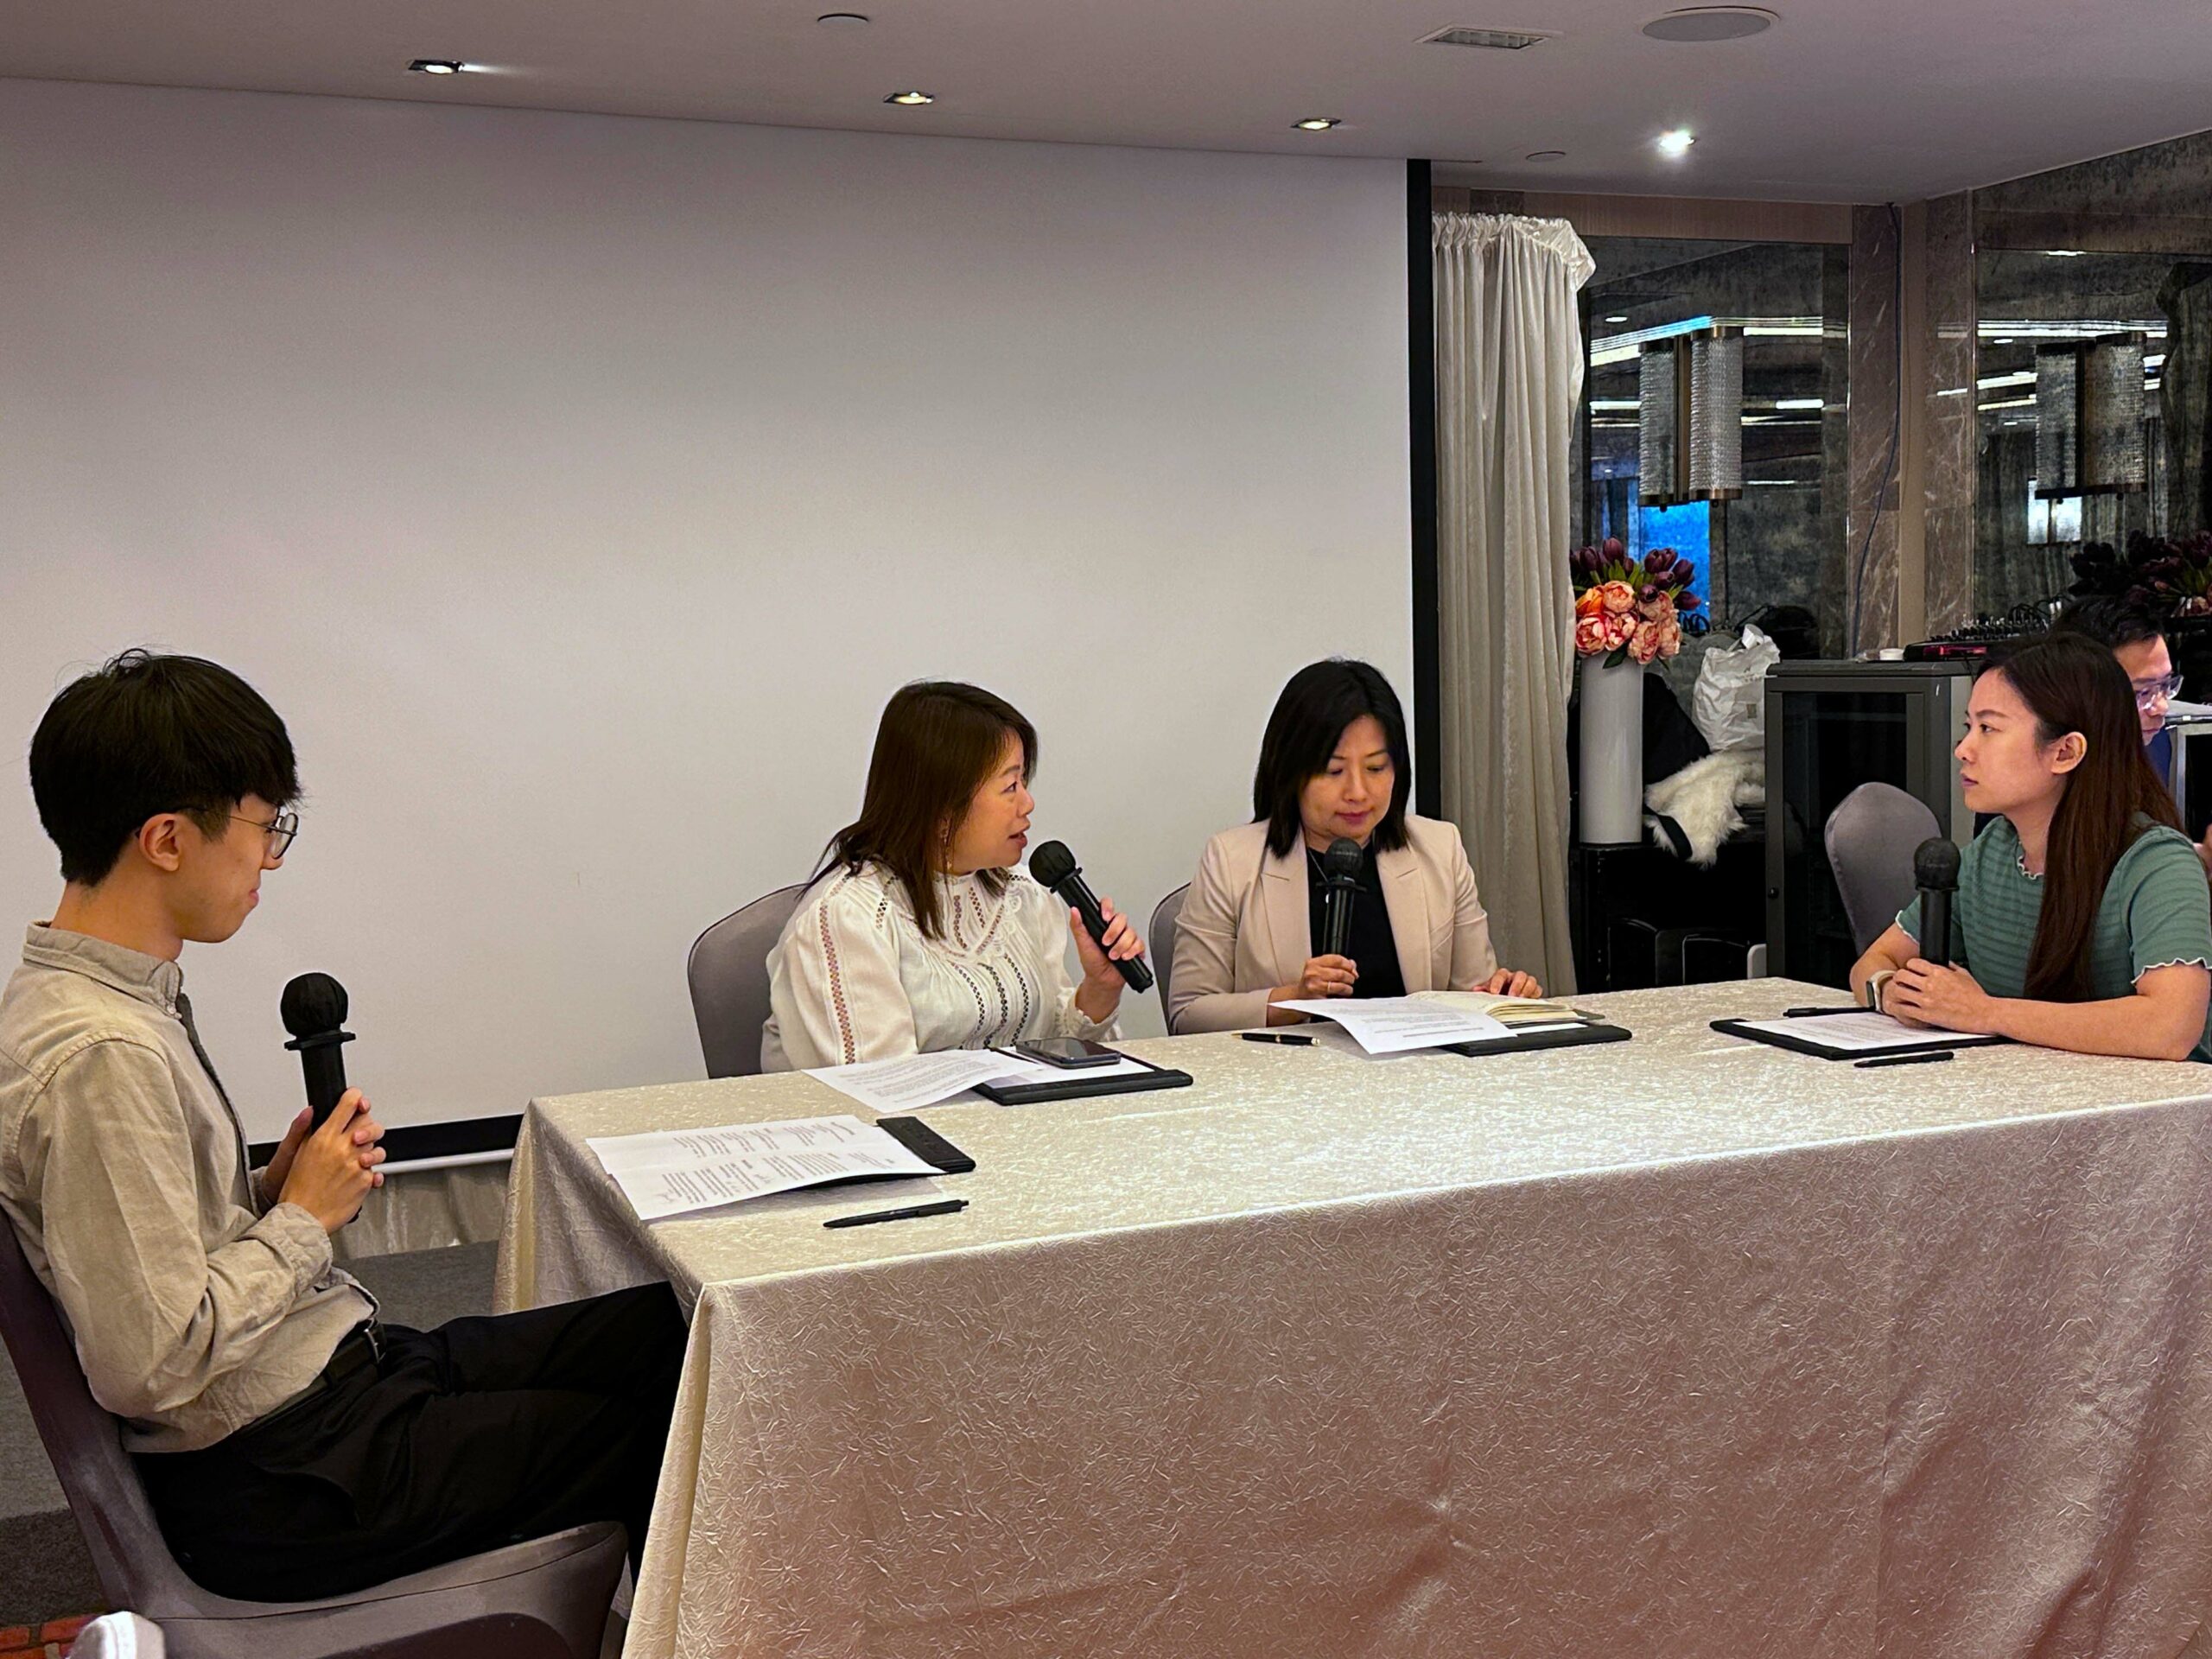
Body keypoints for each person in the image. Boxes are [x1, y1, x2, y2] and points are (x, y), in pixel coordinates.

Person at [0, 652, 687, 1602]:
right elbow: (147, 1362)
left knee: (673, 1334)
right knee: (663, 1436)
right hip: (278, 1472)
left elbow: (144, 1255)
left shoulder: (107, 1001)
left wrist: (269, 1195)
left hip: (323, 1383)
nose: (267, 862)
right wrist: (299, 1224)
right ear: (166, 839)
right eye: (261, 829)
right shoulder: (99, 1053)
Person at [1848, 633, 2212, 1061]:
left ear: (2065, 752)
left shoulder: (2157, 864)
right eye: (1969, 727)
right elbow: (1874, 961)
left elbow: (2170, 1028)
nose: (1964, 750)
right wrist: (1893, 992)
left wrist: (1985, 1012)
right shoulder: (1992, 852)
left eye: (1989, 728)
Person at [762, 680, 1146, 1071]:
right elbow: (879, 1090)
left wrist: (1099, 990)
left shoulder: (1024, 897)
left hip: (1016, 1125)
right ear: (942, 808)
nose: (1028, 803)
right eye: (1010, 786)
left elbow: (1051, 1048)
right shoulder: (848, 918)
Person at [1168, 659, 1542, 1034]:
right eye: (1334, 771)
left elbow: (1470, 994)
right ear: (1290, 771)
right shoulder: (1231, 861)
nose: (1358, 793)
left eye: (1376, 769)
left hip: (1418, 1080)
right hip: (1287, 1081)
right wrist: (1293, 999)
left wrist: (1501, 995)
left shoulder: (1440, 850)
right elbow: (1189, 1015)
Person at [2049, 593, 2212, 874]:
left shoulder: (2149, 746)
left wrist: (2201, 858)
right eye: (2143, 692)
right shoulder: (2040, 773)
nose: (2160, 706)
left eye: (2165, 686)